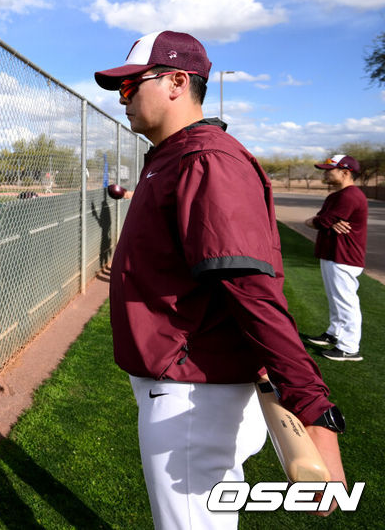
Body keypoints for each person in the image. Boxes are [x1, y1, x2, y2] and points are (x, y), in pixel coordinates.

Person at [95, 30, 347, 528]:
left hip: (194, 388)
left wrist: (314, 410)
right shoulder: (175, 154)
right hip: (188, 373)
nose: (122, 100)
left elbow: (250, 289)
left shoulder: (206, 158)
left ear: (176, 82)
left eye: (129, 87)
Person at [303, 154, 368, 361]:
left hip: (345, 256)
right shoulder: (335, 196)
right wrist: (324, 221)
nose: (325, 173)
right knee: (335, 299)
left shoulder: (350, 196)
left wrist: (323, 221)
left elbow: (319, 221)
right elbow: (318, 220)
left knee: (345, 301)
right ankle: (334, 333)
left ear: (345, 172)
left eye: (329, 170)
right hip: (332, 253)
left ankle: (349, 347)